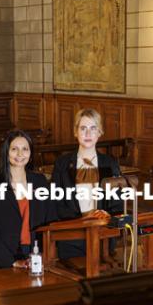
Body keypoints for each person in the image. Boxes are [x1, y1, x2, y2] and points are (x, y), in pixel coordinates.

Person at [0, 130, 55, 270]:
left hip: (34, 257)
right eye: (14, 149)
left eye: (25, 149)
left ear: (31, 154)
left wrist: (43, 255)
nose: (20, 154)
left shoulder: (40, 182)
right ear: (6, 152)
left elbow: (48, 221)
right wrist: (11, 262)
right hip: (2, 261)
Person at [51, 108, 122, 259]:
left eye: (93, 128)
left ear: (100, 132)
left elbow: (118, 202)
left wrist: (107, 214)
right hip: (71, 236)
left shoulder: (110, 163)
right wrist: (82, 220)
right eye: (83, 128)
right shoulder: (62, 164)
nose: (88, 134)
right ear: (76, 132)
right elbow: (55, 202)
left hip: (102, 235)